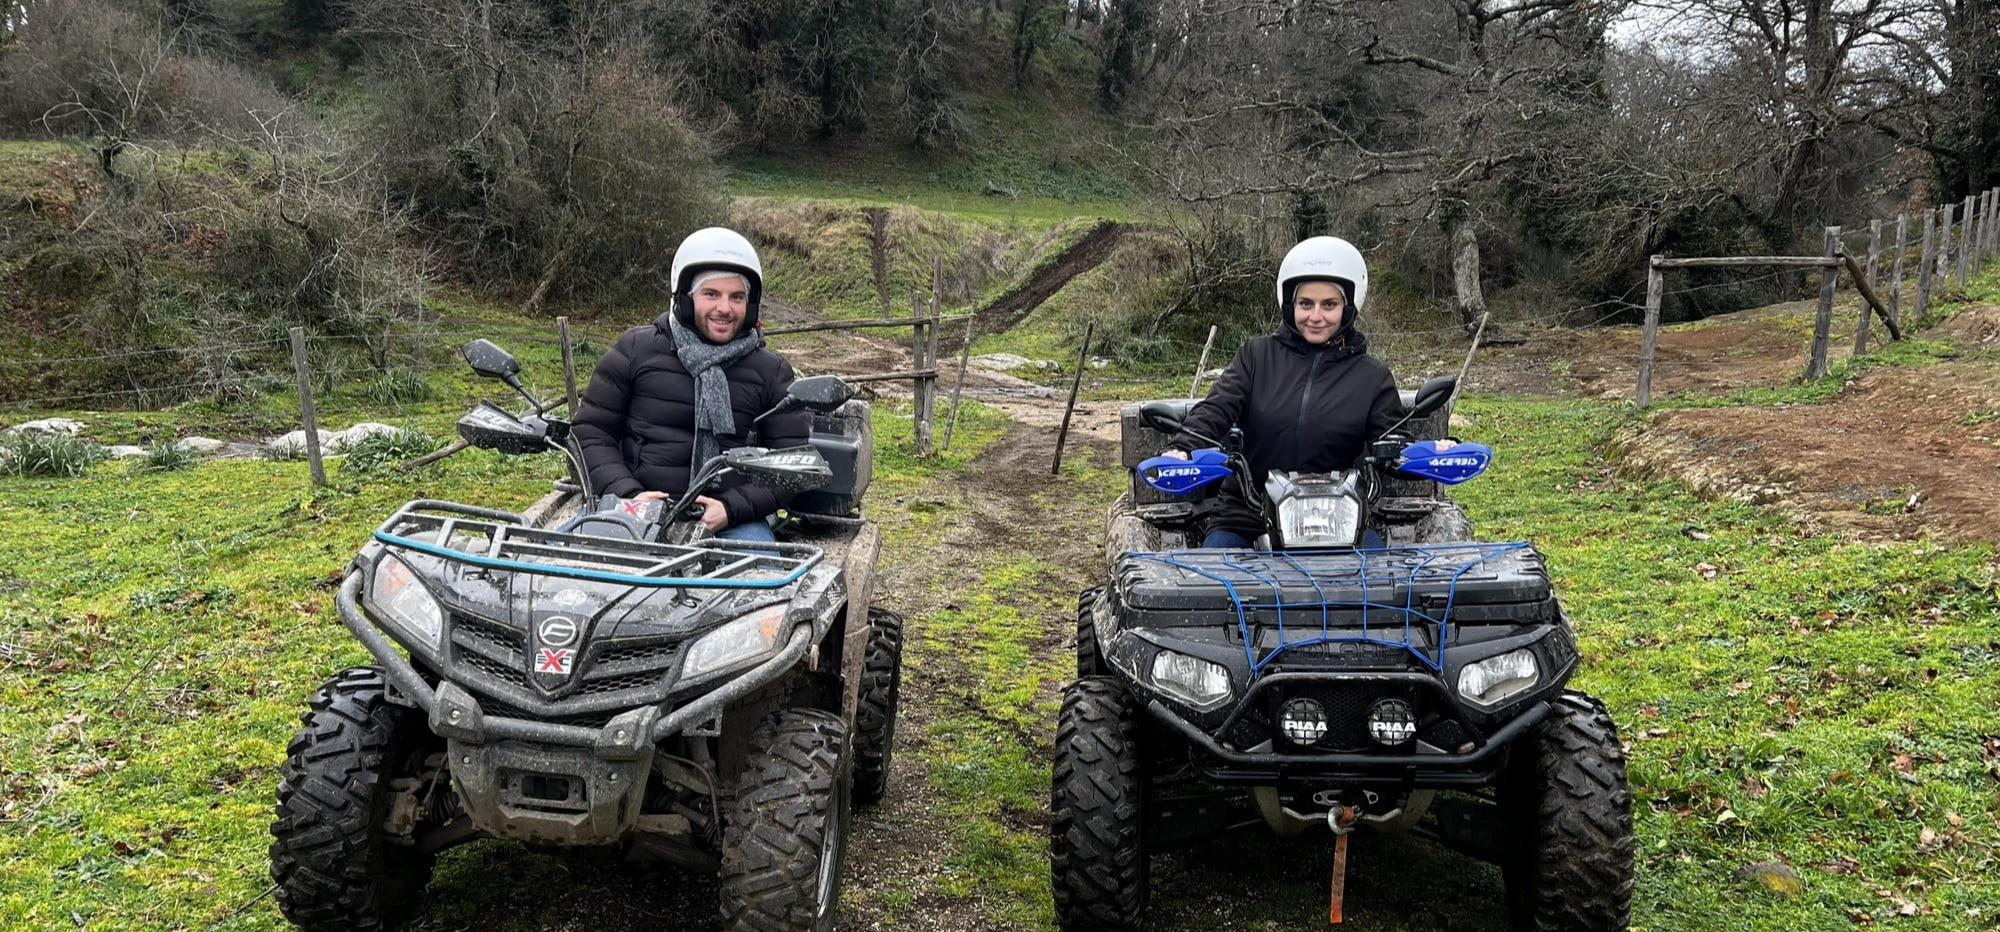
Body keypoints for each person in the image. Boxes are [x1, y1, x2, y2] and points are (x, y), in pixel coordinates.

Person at [570, 227, 809, 542]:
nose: (724, 308)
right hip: (629, 508)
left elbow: (793, 462)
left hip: (730, 522)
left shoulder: (770, 371)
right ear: (684, 297)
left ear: (750, 306)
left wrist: (730, 507)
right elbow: (590, 433)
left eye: (736, 297)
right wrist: (627, 494)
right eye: (711, 294)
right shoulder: (635, 350)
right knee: (542, 570)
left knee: (764, 583)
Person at [1162, 236, 1403, 548]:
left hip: (1338, 518)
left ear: (1348, 307)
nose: (1316, 317)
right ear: (1290, 304)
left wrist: (1429, 453)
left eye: (1329, 304)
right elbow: (1217, 408)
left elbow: (1394, 439)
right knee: (1212, 590)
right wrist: (1184, 446)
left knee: (1383, 590)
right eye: (1306, 304)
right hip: (1248, 513)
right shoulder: (1256, 356)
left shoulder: (1372, 376)